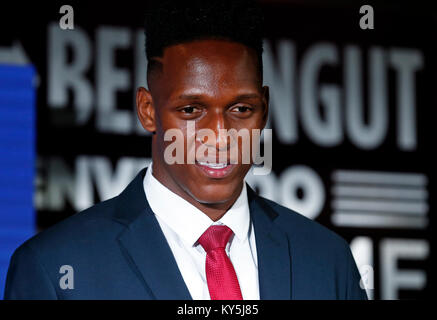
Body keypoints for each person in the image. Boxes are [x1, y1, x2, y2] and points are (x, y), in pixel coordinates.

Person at [4, 0, 367, 300]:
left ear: (265, 108)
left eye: (241, 109)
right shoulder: (53, 267)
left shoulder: (328, 260)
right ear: (148, 110)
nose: (220, 135)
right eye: (191, 110)